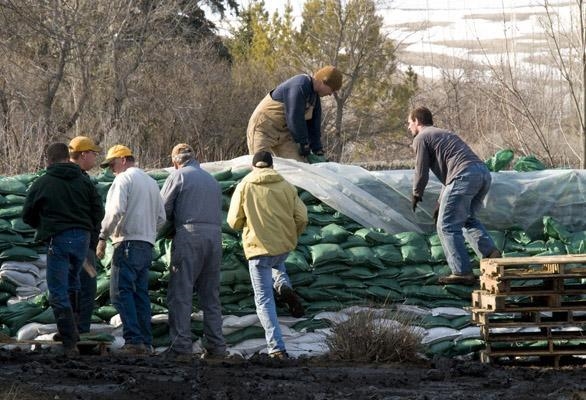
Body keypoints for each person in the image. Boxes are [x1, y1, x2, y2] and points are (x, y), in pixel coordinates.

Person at [23, 143, 104, 356]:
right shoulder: (84, 181)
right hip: (82, 239)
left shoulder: (43, 183)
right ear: (67, 158)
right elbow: (99, 210)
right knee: (74, 283)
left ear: (48, 160)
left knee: (57, 289)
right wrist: (89, 231)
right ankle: (74, 330)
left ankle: (69, 341)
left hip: (58, 238)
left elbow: (27, 214)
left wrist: (43, 225)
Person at [227, 151, 308, 359]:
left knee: (264, 300)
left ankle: (276, 347)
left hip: (258, 248)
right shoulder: (286, 185)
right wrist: (291, 236)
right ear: (272, 166)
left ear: (254, 166)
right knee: (277, 263)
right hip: (282, 247)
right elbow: (302, 217)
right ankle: (282, 283)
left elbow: (233, 221)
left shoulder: (245, 185)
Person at [408, 106, 501, 285]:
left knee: (446, 225)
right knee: (466, 219)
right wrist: (439, 202)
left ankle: (461, 272)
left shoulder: (421, 138)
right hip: (482, 174)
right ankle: (490, 253)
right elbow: (450, 176)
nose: (409, 127)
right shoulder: (443, 134)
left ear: (417, 122)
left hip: (463, 176)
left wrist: (416, 193)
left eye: (409, 123)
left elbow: (421, 170)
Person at [159, 143, 227, 361]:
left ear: (175, 161)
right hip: (215, 238)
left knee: (181, 293)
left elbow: (163, 211)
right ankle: (217, 348)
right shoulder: (212, 180)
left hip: (190, 236)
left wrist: (159, 235)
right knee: (210, 296)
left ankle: (181, 348)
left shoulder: (179, 176)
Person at [96, 145, 166, 355]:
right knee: (140, 294)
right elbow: (162, 217)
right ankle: (146, 341)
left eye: (113, 164)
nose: (111, 170)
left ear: (124, 160)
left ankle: (134, 341)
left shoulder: (123, 179)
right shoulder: (152, 183)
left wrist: (102, 236)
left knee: (119, 293)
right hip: (146, 245)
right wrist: (148, 233)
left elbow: (115, 210)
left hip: (127, 243)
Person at [247, 66, 343, 162]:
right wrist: (303, 144)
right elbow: (294, 117)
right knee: (261, 165)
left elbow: (314, 126)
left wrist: (318, 150)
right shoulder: (300, 85)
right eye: (332, 90)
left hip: (285, 135)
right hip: (263, 130)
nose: (331, 94)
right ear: (323, 82)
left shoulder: (314, 97)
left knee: (299, 167)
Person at [68, 136, 103, 335]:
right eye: (93, 154)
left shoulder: (56, 178)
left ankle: (68, 330)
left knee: (67, 287)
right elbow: (97, 211)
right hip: (83, 245)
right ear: (83, 155)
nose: (95, 158)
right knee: (88, 286)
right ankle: (81, 330)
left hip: (61, 244)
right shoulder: (83, 180)